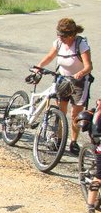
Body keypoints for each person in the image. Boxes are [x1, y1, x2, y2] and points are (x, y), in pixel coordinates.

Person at [35, 18, 93, 155]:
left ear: (72, 35)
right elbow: (50, 57)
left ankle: (73, 142)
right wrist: (39, 66)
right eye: (59, 35)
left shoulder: (81, 44)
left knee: (75, 114)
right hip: (62, 80)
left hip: (78, 82)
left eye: (63, 36)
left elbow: (89, 66)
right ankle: (59, 139)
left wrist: (81, 72)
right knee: (61, 111)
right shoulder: (59, 43)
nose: (60, 38)